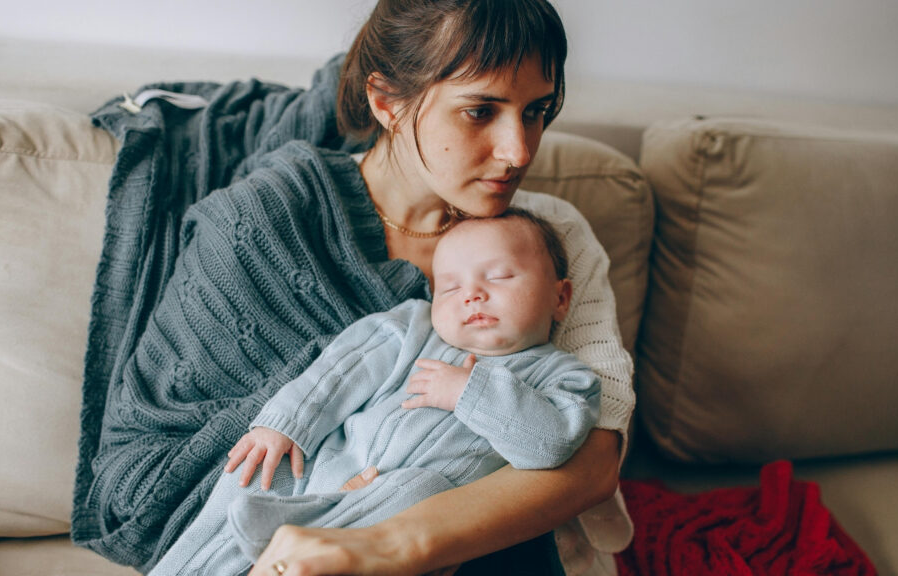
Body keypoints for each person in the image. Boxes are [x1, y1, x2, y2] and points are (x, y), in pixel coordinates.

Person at [73, 1, 635, 574]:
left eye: (536, 111)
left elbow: (593, 461)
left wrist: (390, 538)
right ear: (387, 102)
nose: (519, 151)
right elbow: (155, 466)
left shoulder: (550, 236)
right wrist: (331, 492)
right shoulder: (266, 219)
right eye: (480, 111)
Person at [148, 209, 602, 575]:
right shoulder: (413, 325)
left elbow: (550, 446)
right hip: (328, 463)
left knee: (419, 492)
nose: (472, 295)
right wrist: (284, 423)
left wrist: (471, 391)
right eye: (450, 286)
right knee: (255, 467)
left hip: (393, 514)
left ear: (560, 298)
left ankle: (296, 549)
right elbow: (339, 371)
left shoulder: (567, 378)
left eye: (499, 277)